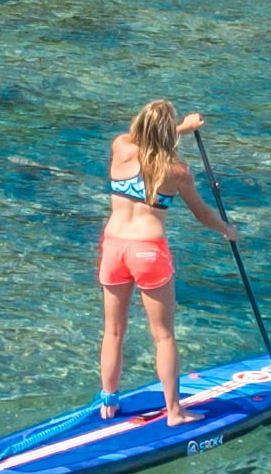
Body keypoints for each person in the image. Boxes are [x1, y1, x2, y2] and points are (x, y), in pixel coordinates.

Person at [94, 98, 232, 419]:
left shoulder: (121, 147)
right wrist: (226, 229)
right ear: (168, 133)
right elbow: (202, 214)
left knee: (113, 331)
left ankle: (108, 403)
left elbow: (146, 141)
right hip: (148, 251)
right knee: (163, 335)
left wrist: (181, 126)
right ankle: (174, 411)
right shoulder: (177, 171)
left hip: (114, 248)